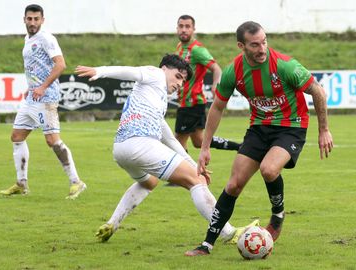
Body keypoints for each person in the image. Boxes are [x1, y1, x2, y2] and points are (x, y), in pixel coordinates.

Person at [185, 21, 334, 256]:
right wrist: (204, 147)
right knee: (234, 184)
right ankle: (206, 244)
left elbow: (317, 90)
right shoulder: (234, 70)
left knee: (269, 169)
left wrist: (323, 129)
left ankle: (278, 214)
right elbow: (217, 108)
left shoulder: (284, 65)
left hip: (290, 127)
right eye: (255, 45)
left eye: (264, 42)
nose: (262, 48)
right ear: (241, 46)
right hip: (258, 128)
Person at [74, 54, 257, 243]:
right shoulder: (155, 74)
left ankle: (112, 223)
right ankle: (229, 233)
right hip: (141, 144)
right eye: (178, 76)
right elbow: (130, 71)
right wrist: (100, 71)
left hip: (121, 150)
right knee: (196, 181)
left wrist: (194, 164)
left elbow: (169, 138)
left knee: (149, 182)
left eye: (183, 81)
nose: (180, 83)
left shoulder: (155, 99)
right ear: (164, 69)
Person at [0, 4, 86, 200]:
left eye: (36, 19)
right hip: (32, 98)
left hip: (46, 98)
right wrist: (31, 87)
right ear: (24, 19)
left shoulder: (47, 38)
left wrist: (42, 87)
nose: (32, 22)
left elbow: (61, 64)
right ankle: (21, 184)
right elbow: (35, 67)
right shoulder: (27, 39)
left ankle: (76, 182)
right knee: (17, 136)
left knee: (52, 141)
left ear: (42, 20)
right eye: (29, 19)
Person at [175, 15, 240, 152]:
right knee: (199, 141)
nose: (184, 30)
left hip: (191, 102)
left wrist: (216, 85)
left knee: (177, 144)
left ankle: (187, 173)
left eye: (187, 27)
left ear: (193, 29)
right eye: (181, 26)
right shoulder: (180, 47)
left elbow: (216, 68)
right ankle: (240, 147)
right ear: (177, 29)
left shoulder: (197, 50)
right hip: (189, 102)